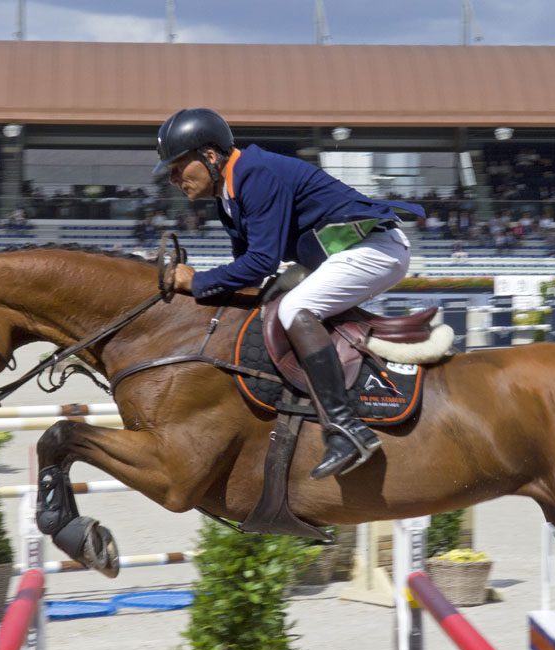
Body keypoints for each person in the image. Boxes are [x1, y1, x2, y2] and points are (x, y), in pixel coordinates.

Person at [156, 107, 424, 479]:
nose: (172, 178)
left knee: (295, 308)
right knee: (272, 303)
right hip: (339, 254)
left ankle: (346, 428)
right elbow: (248, 279)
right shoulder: (228, 198)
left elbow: (262, 262)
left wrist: (194, 282)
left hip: (375, 249)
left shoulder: (255, 174)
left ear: (210, 156)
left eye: (177, 166)